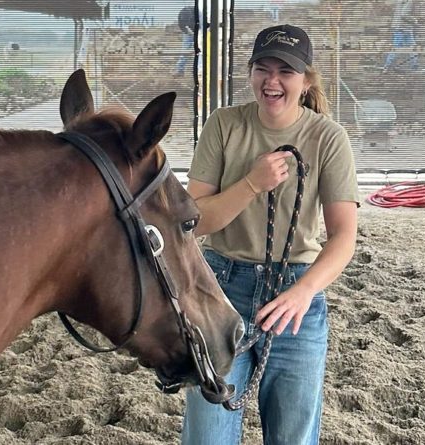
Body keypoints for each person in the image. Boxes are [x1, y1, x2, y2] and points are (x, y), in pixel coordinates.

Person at [181, 24, 359, 445]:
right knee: (207, 434)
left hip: (296, 294)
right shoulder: (224, 125)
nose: (272, 81)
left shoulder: (328, 138)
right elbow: (196, 221)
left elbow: (344, 237)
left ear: (306, 80)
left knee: (293, 436)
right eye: (263, 68)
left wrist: (304, 292)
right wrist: (250, 184)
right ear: (250, 73)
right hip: (220, 287)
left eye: (286, 71)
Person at [382, 0, 419, 72]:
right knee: (408, 47)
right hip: (402, 29)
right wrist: (415, 20)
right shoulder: (409, 1)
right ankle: (387, 66)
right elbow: (404, 14)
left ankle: (387, 66)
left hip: (401, 28)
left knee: (407, 47)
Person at [173, 5, 195, 77]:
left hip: (200, 31)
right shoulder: (182, 16)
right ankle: (180, 70)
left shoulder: (198, 13)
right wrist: (187, 31)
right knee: (185, 50)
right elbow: (182, 26)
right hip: (189, 33)